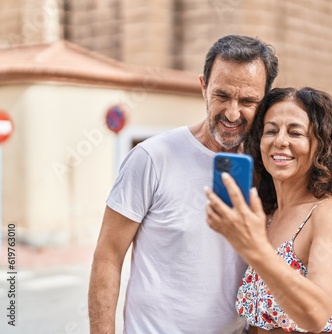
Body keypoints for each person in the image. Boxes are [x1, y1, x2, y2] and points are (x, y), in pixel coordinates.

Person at [88, 34, 278, 334]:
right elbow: (108, 255)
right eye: (222, 95)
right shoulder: (151, 158)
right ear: (203, 88)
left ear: (265, 100)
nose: (232, 113)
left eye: (247, 101)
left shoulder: (270, 169)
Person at [205, 87, 332, 333]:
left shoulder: (329, 214)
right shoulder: (269, 217)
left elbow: (316, 315)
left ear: (321, 146)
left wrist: (255, 249)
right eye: (271, 131)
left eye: (295, 132)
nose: (280, 141)